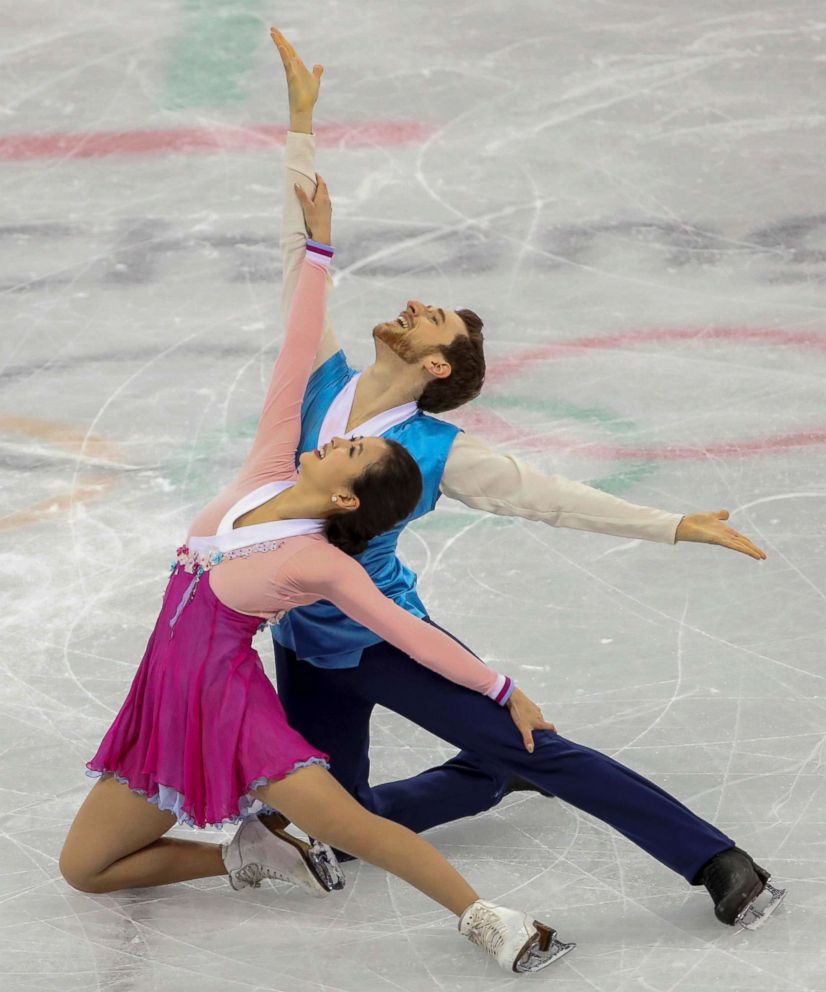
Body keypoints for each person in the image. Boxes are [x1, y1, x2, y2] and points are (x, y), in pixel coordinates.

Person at [265, 29, 785, 931]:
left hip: (390, 638)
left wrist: (672, 525)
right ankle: (480, 776)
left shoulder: (439, 450)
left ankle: (717, 860)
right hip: (303, 647)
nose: (417, 308)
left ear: (438, 368)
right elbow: (296, 255)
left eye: (437, 323)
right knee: (338, 828)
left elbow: (551, 497)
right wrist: (301, 126)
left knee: (542, 746)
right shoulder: (323, 377)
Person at [58, 100, 575, 974]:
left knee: (355, 826)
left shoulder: (312, 560)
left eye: (356, 447)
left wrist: (502, 689)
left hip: (231, 710)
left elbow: (407, 632)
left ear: (345, 492)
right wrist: (320, 242)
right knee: (85, 869)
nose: (341, 431)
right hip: (162, 703)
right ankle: (249, 854)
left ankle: (497, 921)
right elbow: (299, 342)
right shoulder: (269, 464)